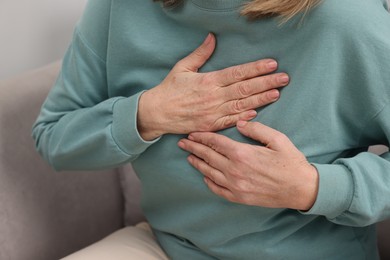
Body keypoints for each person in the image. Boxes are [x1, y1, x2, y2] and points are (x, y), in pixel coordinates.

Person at [32, 0, 390, 259]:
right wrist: (148, 113)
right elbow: (53, 134)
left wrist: (314, 187)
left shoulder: (349, 20)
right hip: (169, 247)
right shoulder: (119, 8)